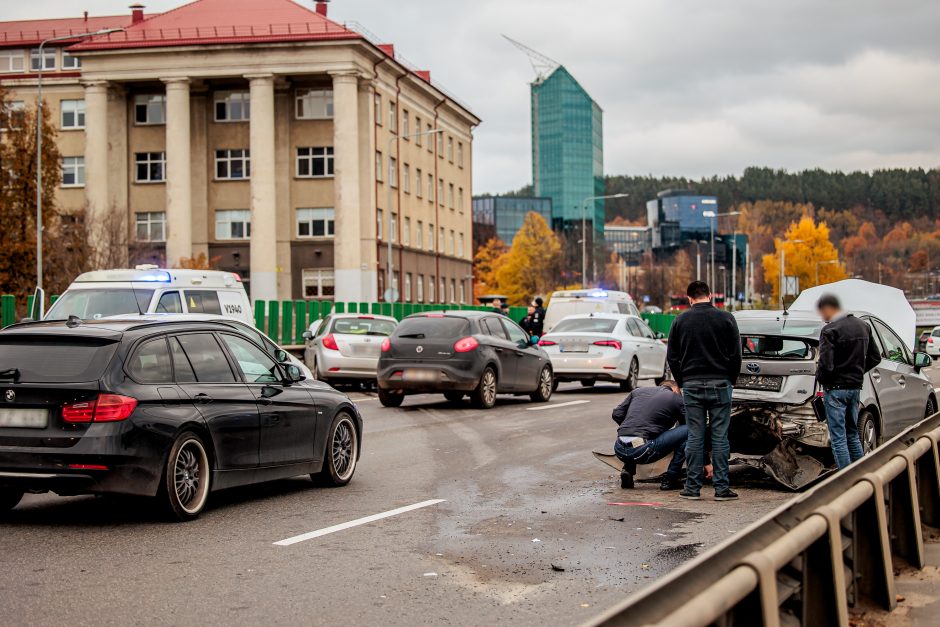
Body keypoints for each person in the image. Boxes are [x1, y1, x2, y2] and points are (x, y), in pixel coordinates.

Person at [667, 280, 742, 501]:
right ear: (710, 295)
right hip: (721, 384)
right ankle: (721, 489)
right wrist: (731, 379)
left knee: (695, 436)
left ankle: (692, 488)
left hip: (691, 385)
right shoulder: (726, 318)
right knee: (720, 437)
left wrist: (681, 381)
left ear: (689, 298)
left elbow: (672, 356)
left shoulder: (680, 321)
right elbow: (736, 354)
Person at [816, 293, 882, 469]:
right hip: (854, 388)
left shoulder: (830, 330)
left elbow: (826, 365)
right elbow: (875, 357)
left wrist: (822, 379)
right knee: (852, 434)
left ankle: (845, 481)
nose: (822, 316)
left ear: (829, 308)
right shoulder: (863, 326)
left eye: (822, 311)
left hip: (835, 389)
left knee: (838, 438)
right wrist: (857, 372)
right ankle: (862, 474)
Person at [611, 381, 688, 490]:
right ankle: (671, 478)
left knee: (634, 437)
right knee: (690, 430)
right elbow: (687, 424)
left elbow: (617, 414)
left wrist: (632, 427)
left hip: (619, 448)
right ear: (675, 389)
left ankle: (627, 470)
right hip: (643, 450)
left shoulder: (637, 391)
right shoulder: (675, 397)